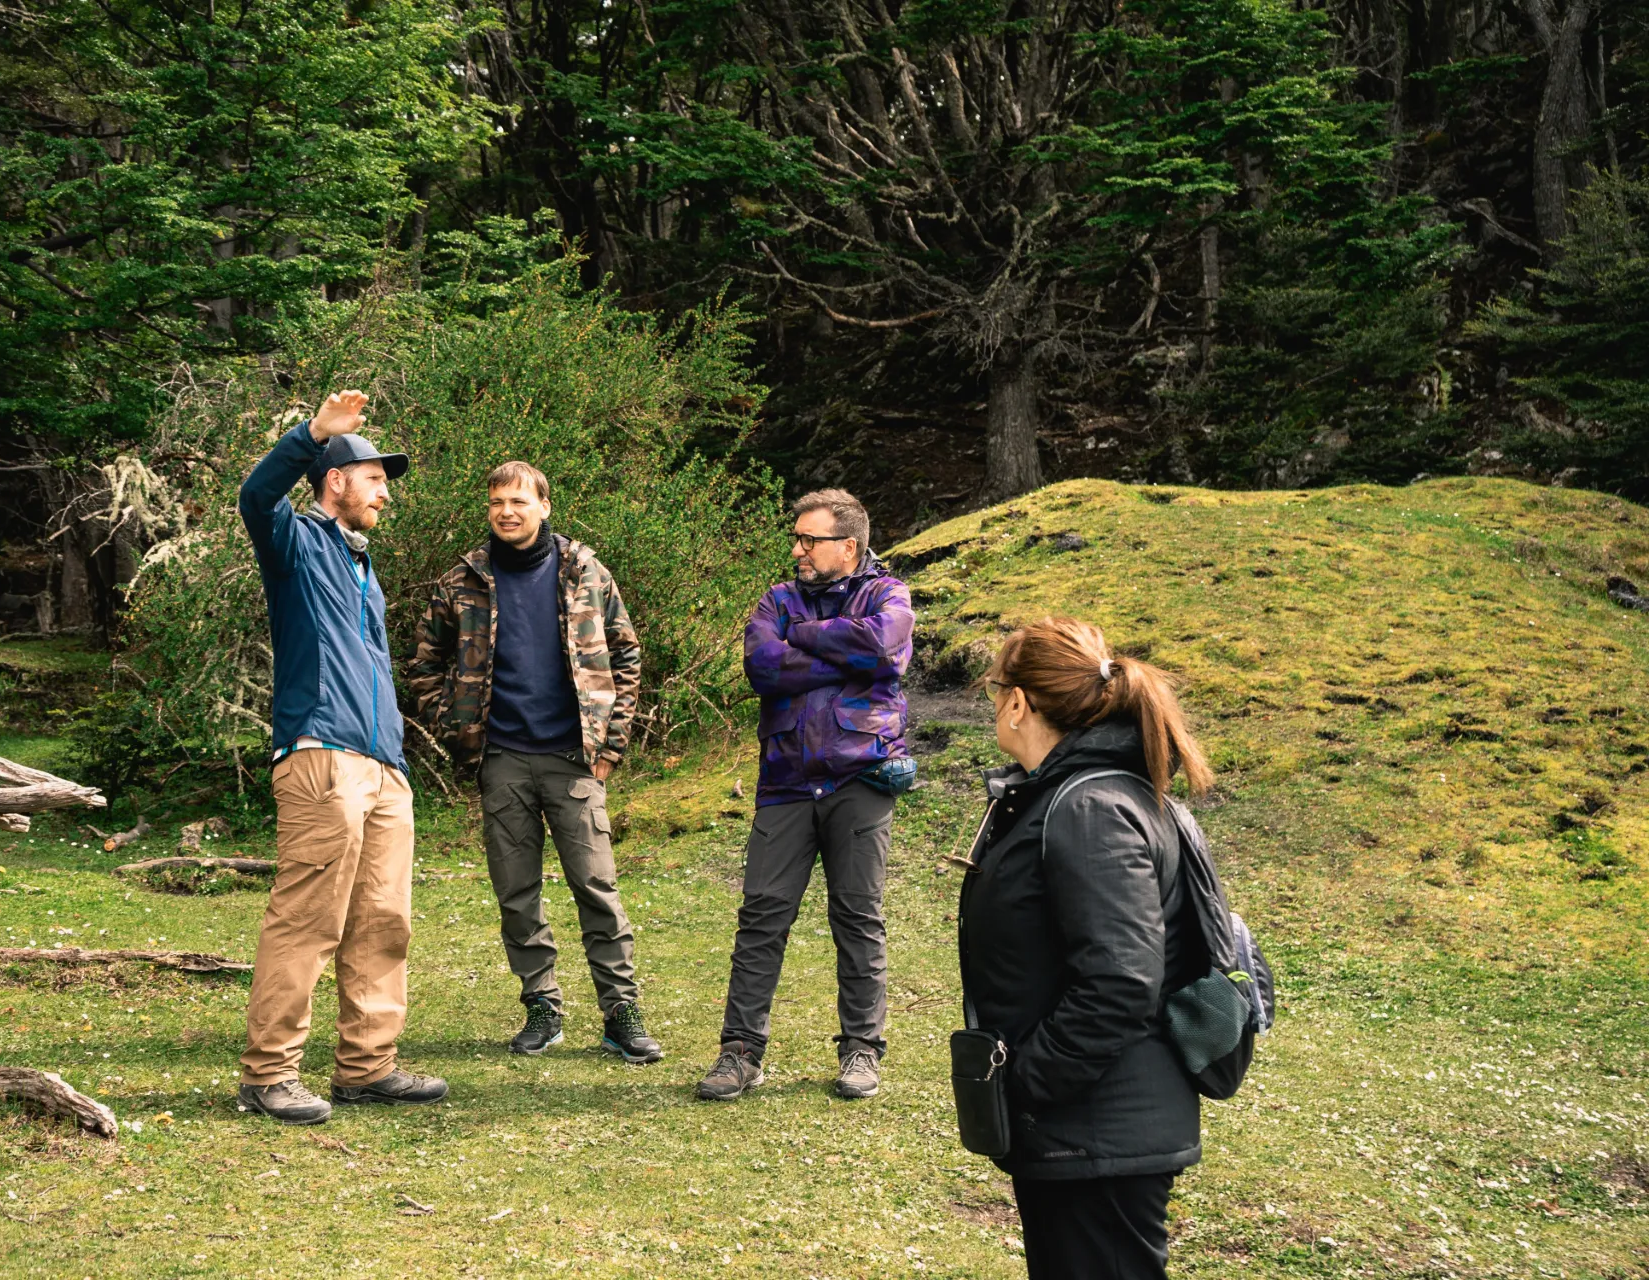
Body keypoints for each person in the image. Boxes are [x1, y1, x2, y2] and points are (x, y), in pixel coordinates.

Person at [957, 616, 1216, 1280]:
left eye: (995, 692)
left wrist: (1023, 1083)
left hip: (1098, 1131)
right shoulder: (1090, 794)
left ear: (1018, 701)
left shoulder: (1090, 808)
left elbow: (1122, 983)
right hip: (1084, 1130)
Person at [233, 390, 447, 1125]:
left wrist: (395, 758)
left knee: (384, 922)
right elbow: (255, 494)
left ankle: (366, 1067)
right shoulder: (293, 540)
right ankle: (268, 1077)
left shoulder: (363, 566)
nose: (386, 493)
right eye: (376, 478)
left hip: (383, 766)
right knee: (307, 920)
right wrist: (312, 434)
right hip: (321, 755)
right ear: (336, 482)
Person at [410, 462, 660, 1063]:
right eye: (496, 501)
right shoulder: (462, 581)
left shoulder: (585, 571)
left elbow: (626, 655)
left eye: (519, 500)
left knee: (596, 888)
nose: (507, 512)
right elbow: (423, 666)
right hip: (501, 761)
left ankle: (620, 1013)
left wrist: (611, 744)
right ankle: (541, 1006)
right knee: (516, 893)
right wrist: (458, 728)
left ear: (544, 506)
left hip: (574, 759)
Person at [697, 489, 914, 1102]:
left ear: (849, 545)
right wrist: (848, 655)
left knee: (857, 918)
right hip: (787, 780)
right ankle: (739, 1052)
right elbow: (765, 667)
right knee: (761, 917)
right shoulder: (777, 600)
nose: (797, 550)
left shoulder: (888, 595)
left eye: (808, 540)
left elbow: (882, 649)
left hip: (859, 778)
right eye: (796, 539)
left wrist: (811, 636)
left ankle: (861, 1051)